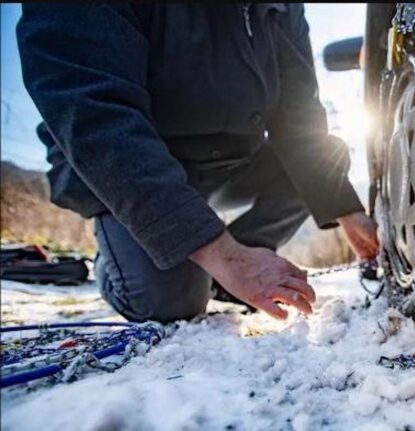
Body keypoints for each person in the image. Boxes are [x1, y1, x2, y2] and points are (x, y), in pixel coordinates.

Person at [16, 4, 379, 322]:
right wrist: (225, 256)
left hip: (230, 162)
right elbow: (93, 113)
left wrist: (345, 208)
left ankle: (230, 263)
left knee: (327, 155)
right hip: (128, 164)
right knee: (169, 300)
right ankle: (126, 255)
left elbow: (299, 118)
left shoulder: (283, 7)